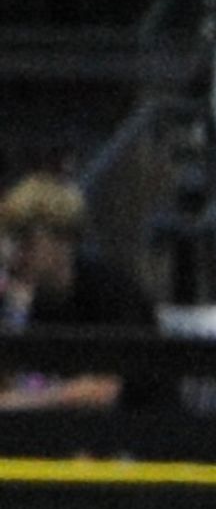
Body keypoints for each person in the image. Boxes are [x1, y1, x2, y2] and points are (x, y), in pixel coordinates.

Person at [1, 174, 159, 412]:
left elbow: (104, 391)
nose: (15, 254)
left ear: (62, 239)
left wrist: (20, 402)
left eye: (27, 241)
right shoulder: (28, 300)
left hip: (138, 432)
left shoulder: (113, 291)